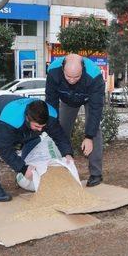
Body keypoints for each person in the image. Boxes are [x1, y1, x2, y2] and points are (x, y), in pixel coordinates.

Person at [0, 96, 73, 202]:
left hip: (8, 118)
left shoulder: (50, 115)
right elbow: (4, 148)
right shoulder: (11, 119)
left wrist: (67, 153)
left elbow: (59, 136)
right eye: (37, 126)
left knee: (34, 138)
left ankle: (23, 172)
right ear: (28, 119)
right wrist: (23, 168)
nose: (41, 129)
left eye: (43, 126)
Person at [46, 53, 105, 187]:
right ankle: (61, 168)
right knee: (59, 129)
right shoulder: (53, 72)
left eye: (76, 77)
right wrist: (52, 124)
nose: (72, 80)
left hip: (89, 98)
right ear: (63, 69)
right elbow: (51, 101)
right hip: (67, 99)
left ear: (82, 69)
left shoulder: (94, 75)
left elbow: (96, 110)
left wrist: (88, 136)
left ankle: (96, 173)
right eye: (68, 76)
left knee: (94, 131)